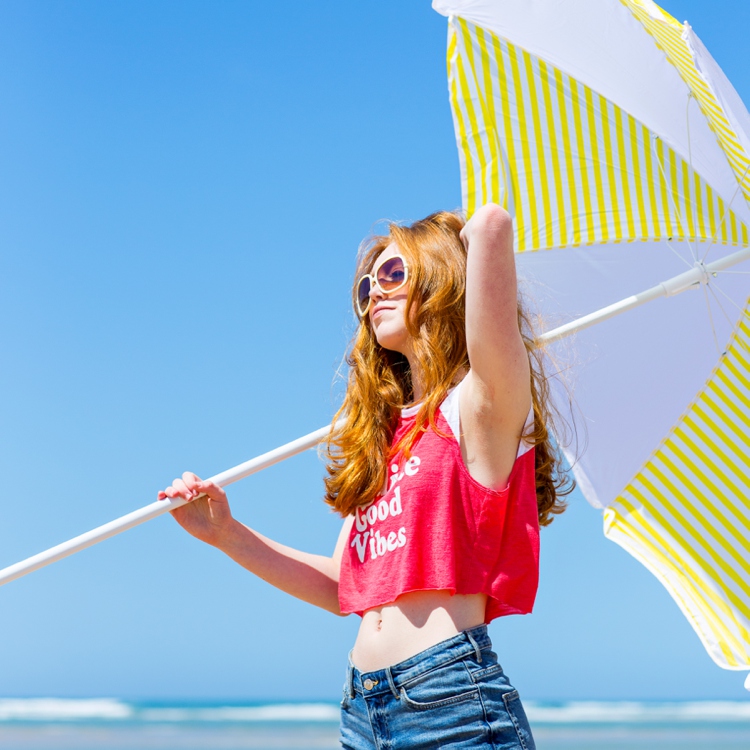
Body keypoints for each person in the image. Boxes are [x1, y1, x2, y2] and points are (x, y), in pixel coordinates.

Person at [158, 203, 571, 749]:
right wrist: (227, 535)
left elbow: (492, 225)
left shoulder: (477, 410)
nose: (374, 291)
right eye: (366, 287)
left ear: (441, 276)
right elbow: (344, 587)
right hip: (362, 709)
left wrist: (460, 233)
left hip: (450, 702)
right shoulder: (381, 436)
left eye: (394, 273)